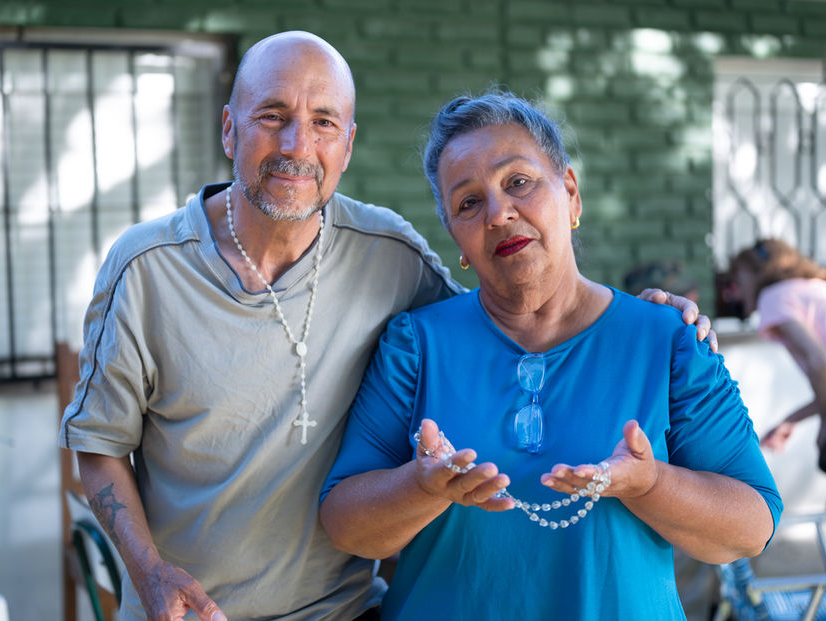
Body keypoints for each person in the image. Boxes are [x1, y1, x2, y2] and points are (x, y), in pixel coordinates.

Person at [58, 33, 712, 621]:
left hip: (345, 610)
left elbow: (506, 310)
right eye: (272, 117)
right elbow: (99, 444)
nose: (296, 146)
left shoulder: (388, 252)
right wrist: (148, 573)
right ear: (229, 130)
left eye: (322, 122)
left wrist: (642, 316)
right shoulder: (144, 268)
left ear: (347, 144)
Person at [319, 92, 781, 621]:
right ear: (456, 240)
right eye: (469, 202)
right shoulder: (417, 345)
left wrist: (652, 484)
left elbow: (753, 525)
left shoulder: (667, 340)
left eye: (518, 182)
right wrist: (420, 487)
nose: (499, 213)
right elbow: (345, 524)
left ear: (570, 193)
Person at [729, 238, 826, 568]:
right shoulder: (816, 287)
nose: (736, 293)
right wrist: (793, 420)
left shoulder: (774, 296)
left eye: (738, 282)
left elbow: (820, 361)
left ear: (758, 275)